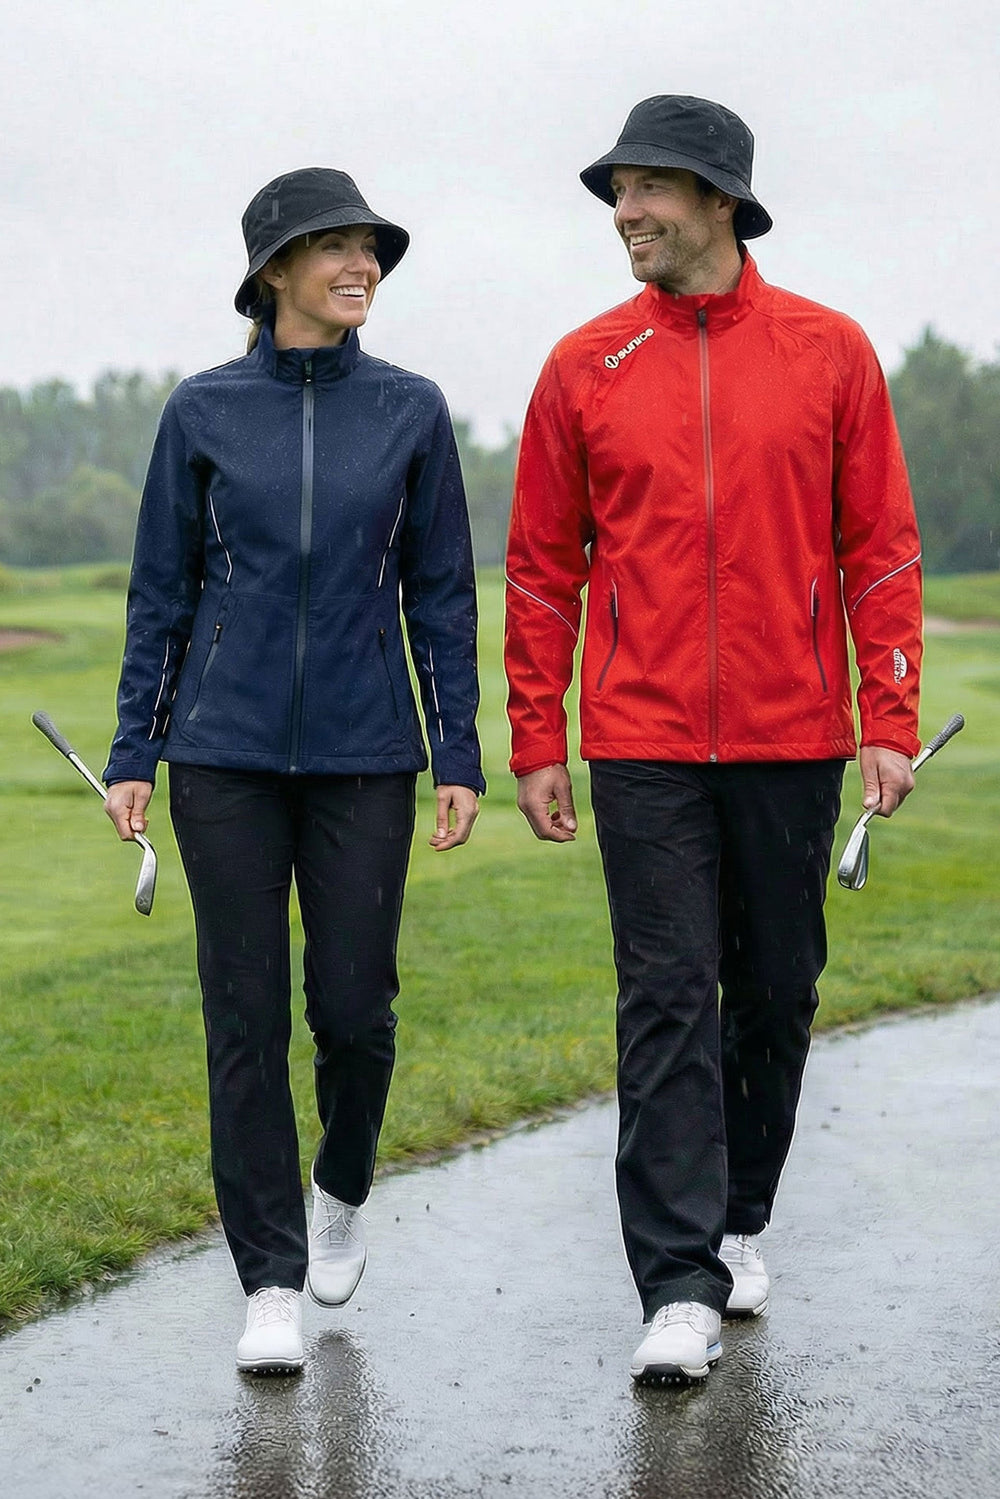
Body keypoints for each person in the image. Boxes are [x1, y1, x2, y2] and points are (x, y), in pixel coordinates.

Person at [504, 96, 922, 1384]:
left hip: (796, 734)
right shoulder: (583, 365)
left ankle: (740, 1217)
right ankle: (674, 1282)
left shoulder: (828, 351)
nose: (624, 213)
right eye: (616, 191)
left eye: (647, 190)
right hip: (641, 741)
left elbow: (879, 549)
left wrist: (885, 721)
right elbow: (538, 569)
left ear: (719, 199)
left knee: (777, 988)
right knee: (667, 995)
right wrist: (536, 733)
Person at [103, 167, 485, 1374]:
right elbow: (161, 593)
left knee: (354, 1010)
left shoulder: (411, 410)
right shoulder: (203, 411)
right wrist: (133, 754)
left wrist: (457, 750)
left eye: (369, 246)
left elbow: (440, 593)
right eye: (333, 248)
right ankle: (267, 1276)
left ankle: (342, 1183)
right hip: (223, 755)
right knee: (244, 1016)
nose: (359, 264)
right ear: (275, 272)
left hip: (369, 753)